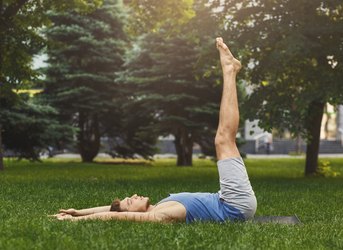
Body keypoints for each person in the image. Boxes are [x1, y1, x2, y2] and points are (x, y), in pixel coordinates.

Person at [52, 37, 257, 223]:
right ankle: (229, 70)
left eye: (128, 198)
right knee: (223, 140)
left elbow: (111, 209)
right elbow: (114, 215)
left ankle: (230, 70)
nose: (132, 196)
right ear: (134, 213)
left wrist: (79, 212)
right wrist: (78, 222)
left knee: (222, 139)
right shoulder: (159, 215)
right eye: (130, 202)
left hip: (225, 199)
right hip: (234, 206)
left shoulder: (158, 205)